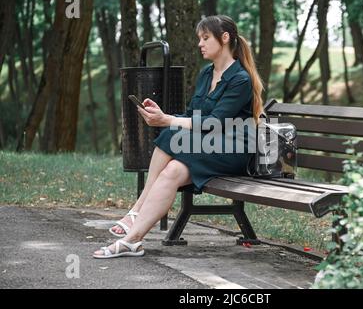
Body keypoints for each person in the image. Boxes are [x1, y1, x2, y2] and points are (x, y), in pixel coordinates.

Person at [93, 15, 264, 258]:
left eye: (206, 38)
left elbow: (214, 123)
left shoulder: (240, 79)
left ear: (225, 38)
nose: (200, 44)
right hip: (207, 145)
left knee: (170, 134)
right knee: (173, 168)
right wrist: (162, 115)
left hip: (233, 149)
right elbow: (193, 115)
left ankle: (136, 210)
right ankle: (132, 241)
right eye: (199, 39)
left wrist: (168, 121)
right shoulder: (206, 74)